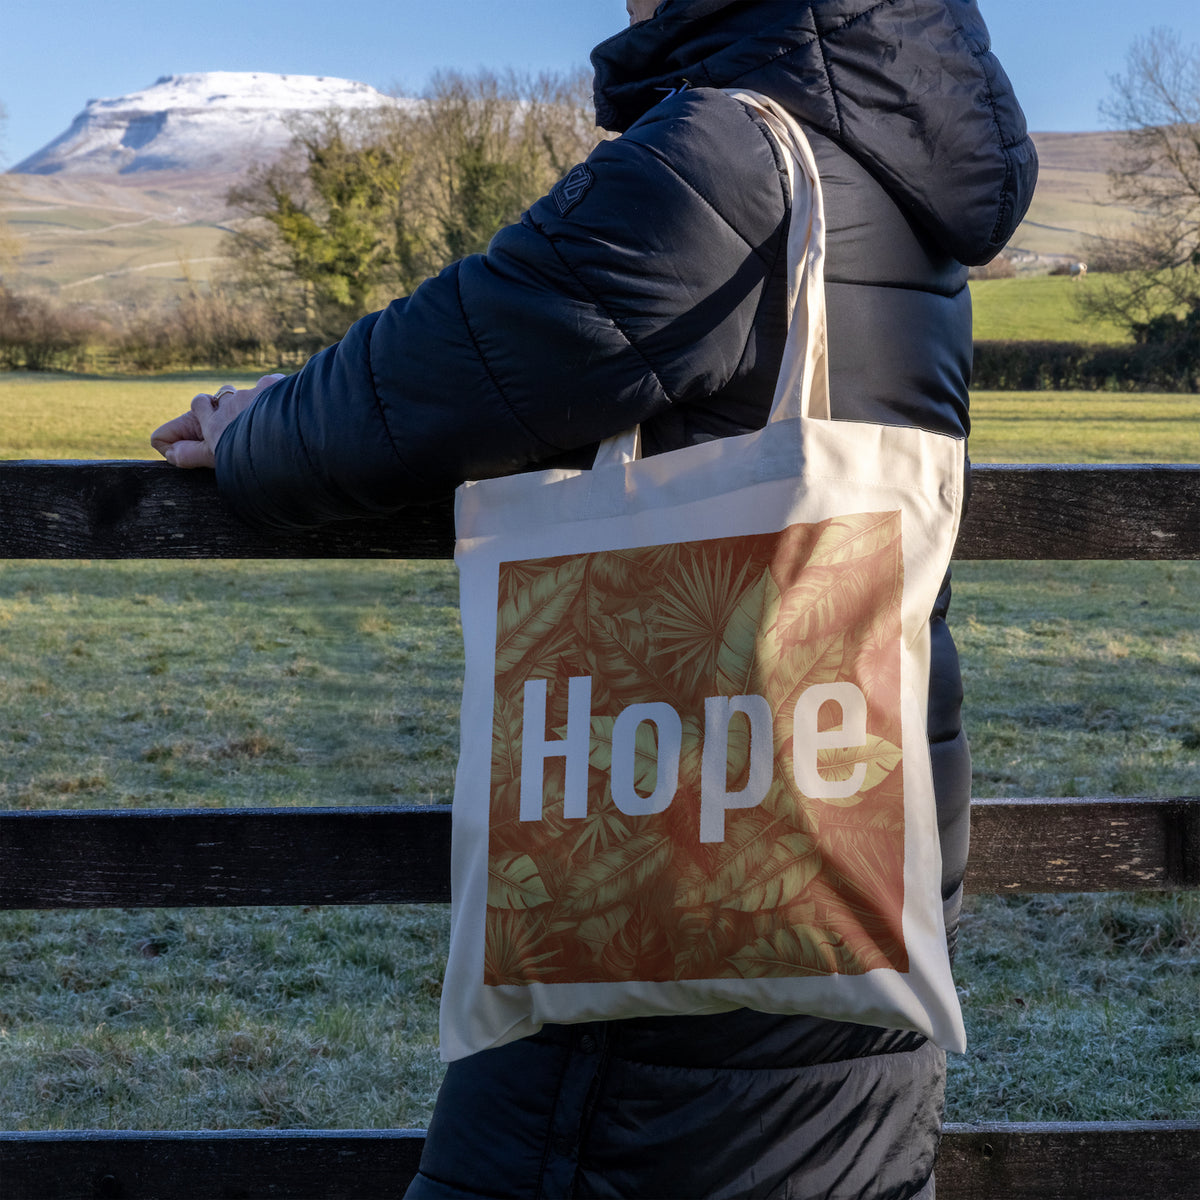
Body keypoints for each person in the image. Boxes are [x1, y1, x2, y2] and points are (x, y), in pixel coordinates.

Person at [153, 1, 1036, 1195]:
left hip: (683, 873)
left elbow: (454, 363)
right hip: (859, 851)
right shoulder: (891, 150)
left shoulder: (725, 156)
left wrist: (258, 424)